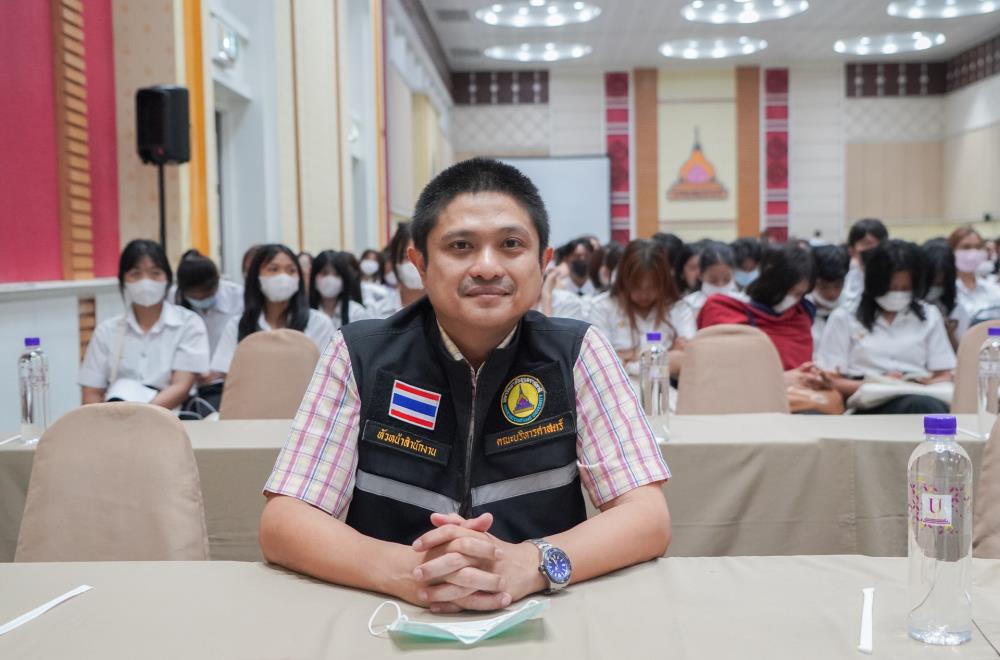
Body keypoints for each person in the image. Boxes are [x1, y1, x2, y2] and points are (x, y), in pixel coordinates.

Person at [259, 158, 671, 613]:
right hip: (389, 616)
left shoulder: (577, 352)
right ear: (419, 263)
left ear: (543, 262)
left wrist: (530, 564)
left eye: (511, 244)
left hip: (543, 616)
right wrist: (407, 573)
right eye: (461, 246)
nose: (488, 267)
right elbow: (285, 521)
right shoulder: (360, 354)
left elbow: (647, 516)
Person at [817, 240, 955, 415]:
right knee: (920, 406)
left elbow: (944, 373)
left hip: (919, 390)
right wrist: (879, 384)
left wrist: (920, 384)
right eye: (891, 288)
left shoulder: (929, 315)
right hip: (867, 399)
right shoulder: (844, 317)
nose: (898, 294)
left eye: (905, 289)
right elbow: (830, 379)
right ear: (875, 284)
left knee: (926, 405)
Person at [698, 245, 835, 407]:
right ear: (771, 281)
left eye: (799, 294)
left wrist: (812, 377)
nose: (792, 299)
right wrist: (777, 380)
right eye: (789, 291)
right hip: (739, 406)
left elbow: (800, 366)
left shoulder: (800, 316)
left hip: (797, 405)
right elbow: (714, 373)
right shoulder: (723, 310)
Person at [79, 239, 210, 408]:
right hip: (115, 415)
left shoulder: (189, 324)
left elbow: (181, 386)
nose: (146, 282)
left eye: (155, 273)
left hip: (172, 415)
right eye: (136, 274)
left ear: (168, 279)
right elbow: (91, 391)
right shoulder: (106, 331)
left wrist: (141, 416)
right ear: (123, 280)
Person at [211, 244, 333, 374]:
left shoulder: (318, 323)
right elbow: (225, 373)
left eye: (291, 270)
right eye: (273, 269)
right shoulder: (238, 325)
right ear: (256, 277)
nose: (283, 277)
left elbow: (327, 374)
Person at [589, 239, 695, 376]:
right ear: (623, 280)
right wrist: (667, 354)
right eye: (636, 286)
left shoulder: (678, 308)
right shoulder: (602, 307)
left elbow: (687, 357)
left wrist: (628, 356)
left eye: (651, 287)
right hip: (618, 386)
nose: (644, 295)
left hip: (667, 386)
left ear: (663, 282)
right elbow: (601, 361)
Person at [309, 250, 374, 331]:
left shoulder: (356, 312)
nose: (330, 279)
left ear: (344, 280)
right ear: (314, 277)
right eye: (324, 273)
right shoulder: (305, 314)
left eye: (336, 274)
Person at [922, 238, 969, 348]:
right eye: (932, 283)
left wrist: (949, 333)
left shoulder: (957, 309)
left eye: (940, 284)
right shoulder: (908, 307)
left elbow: (961, 352)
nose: (935, 290)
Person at [372, 223, 426, 318]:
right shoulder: (376, 312)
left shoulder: (447, 312)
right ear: (394, 261)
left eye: (421, 256)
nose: (414, 264)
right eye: (406, 256)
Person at [950, 227, 1000, 326]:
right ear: (952, 250)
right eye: (966, 247)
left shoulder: (993, 289)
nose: (973, 253)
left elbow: (997, 330)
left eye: (978, 247)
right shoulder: (948, 293)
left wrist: (990, 333)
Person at [807, 245, 849, 358]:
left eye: (838, 285)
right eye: (824, 286)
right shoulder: (801, 312)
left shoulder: (850, 311)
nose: (832, 294)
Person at [684, 241, 743, 318]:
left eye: (727, 280)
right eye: (713, 280)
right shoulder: (688, 306)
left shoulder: (743, 303)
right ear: (700, 275)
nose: (720, 285)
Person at [841, 218, 888, 307]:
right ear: (851, 250)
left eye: (880, 244)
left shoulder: (893, 277)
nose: (875, 249)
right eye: (867, 243)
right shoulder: (842, 279)